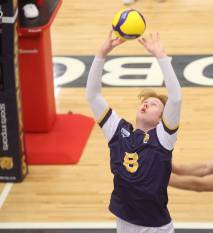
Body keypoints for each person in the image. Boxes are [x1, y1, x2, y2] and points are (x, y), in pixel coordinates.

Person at [86, 31, 181, 233]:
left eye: (153, 104)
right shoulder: (118, 131)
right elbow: (93, 95)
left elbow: (176, 98)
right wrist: (101, 53)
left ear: (160, 119)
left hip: (156, 227)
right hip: (125, 223)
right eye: (145, 102)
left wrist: (161, 57)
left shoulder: (163, 138)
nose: (146, 104)